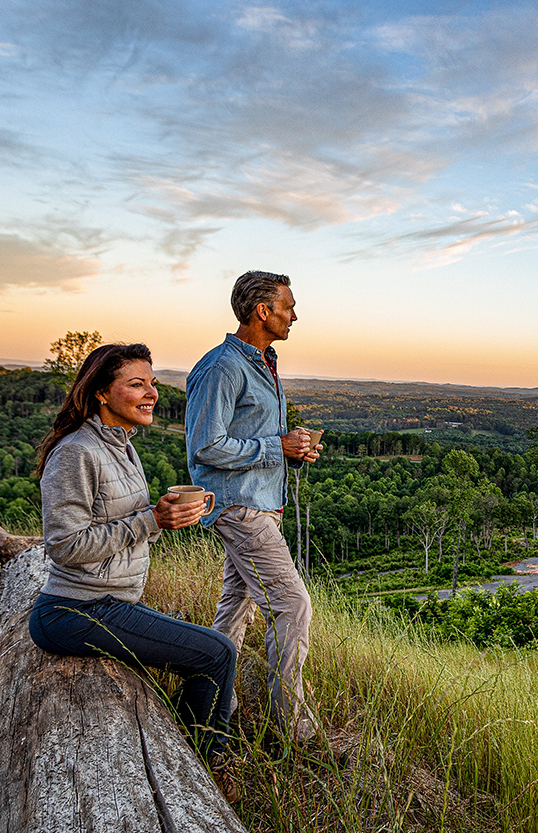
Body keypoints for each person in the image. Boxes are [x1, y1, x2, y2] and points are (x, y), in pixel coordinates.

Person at [30, 343, 237, 759]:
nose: (151, 394)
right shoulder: (76, 451)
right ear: (102, 393)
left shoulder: (122, 445)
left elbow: (128, 525)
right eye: (136, 384)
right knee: (217, 652)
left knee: (208, 649)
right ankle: (207, 757)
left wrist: (163, 516)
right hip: (76, 610)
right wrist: (151, 521)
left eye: (153, 384)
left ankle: (181, 741)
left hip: (108, 602)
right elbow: (64, 545)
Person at [186, 270, 321, 740]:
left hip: (260, 506)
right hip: (238, 508)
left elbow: (259, 440)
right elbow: (205, 447)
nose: (295, 315)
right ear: (263, 311)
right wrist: (276, 447)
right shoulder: (222, 367)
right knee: (292, 605)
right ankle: (292, 730)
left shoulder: (264, 363)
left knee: (234, 609)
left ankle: (209, 708)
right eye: (289, 306)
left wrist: (293, 452)